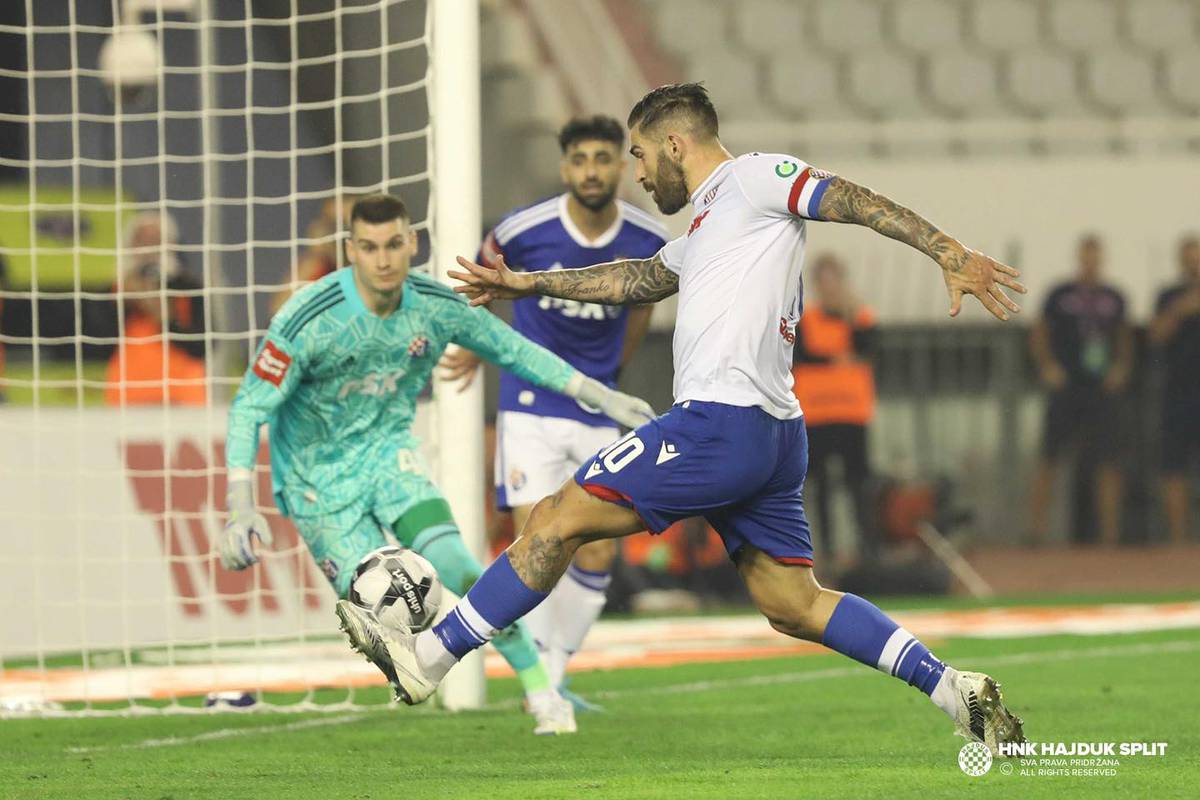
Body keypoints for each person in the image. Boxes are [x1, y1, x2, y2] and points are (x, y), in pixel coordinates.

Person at [337, 85, 1027, 754]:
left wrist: (950, 253)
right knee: (792, 602)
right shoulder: (706, 222)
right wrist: (528, 284)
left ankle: (429, 656)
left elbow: (849, 198)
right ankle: (952, 690)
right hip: (772, 433)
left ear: (674, 143)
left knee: (555, 519)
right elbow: (635, 279)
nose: (636, 174)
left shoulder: (756, 179)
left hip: (719, 424)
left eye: (638, 155)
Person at [218, 193, 655, 735]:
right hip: (316, 483)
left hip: (388, 458)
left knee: (463, 570)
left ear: (412, 243)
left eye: (394, 245)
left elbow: (513, 350)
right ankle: (418, 660)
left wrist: (602, 396)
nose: (383, 260)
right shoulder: (309, 318)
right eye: (370, 247)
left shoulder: (433, 305)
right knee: (381, 618)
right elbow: (250, 406)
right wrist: (240, 503)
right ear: (351, 249)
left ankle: (543, 692)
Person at [440, 115, 667, 704]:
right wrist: (474, 341)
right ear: (565, 166)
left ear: (621, 164)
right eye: (580, 160)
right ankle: (542, 684)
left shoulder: (648, 238)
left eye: (603, 158)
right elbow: (484, 280)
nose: (591, 170)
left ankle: (556, 672)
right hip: (531, 403)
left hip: (599, 404)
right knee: (535, 538)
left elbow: (642, 302)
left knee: (599, 546)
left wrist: (613, 373)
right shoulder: (523, 230)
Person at [1028, 235, 1132, 546]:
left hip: (1100, 388)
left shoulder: (1114, 296)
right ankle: (1036, 532)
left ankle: (1109, 537)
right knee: (1049, 458)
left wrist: (1121, 368)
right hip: (1067, 387)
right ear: (1079, 258)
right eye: (1086, 256)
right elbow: (1040, 331)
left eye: (1095, 256)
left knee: (1108, 461)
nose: (1091, 262)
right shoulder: (1060, 294)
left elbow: (1124, 336)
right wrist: (1047, 365)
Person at [791, 253, 877, 564]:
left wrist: (850, 317)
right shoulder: (807, 319)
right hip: (817, 414)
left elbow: (867, 348)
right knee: (821, 485)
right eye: (823, 281)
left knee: (858, 483)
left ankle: (868, 550)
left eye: (834, 280)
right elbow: (802, 356)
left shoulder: (860, 316)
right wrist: (836, 359)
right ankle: (825, 552)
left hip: (852, 413)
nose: (829, 288)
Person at [104, 211, 206, 406]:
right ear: (130, 245)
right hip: (128, 396)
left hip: (181, 396)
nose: (148, 248)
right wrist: (125, 303)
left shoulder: (188, 287)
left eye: (155, 240)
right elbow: (97, 345)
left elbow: (202, 347)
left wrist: (165, 316)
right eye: (142, 240)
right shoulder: (116, 290)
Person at [1148, 236, 1200, 544]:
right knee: (1174, 465)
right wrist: (1181, 309)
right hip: (1178, 392)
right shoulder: (1168, 296)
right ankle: (1178, 536)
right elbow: (1156, 336)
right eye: (1189, 259)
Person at [270, 195, 358, 314]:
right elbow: (279, 311)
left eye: (347, 225)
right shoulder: (317, 267)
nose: (340, 234)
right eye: (333, 225)